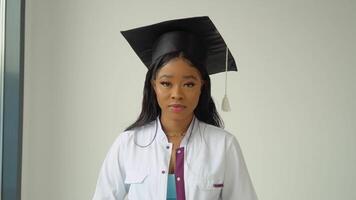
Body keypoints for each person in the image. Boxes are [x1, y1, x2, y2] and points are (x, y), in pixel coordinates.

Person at [93, 16, 258, 200]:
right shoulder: (128, 144)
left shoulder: (223, 146)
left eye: (188, 84)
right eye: (166, 83)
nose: (177, 94)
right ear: (153, 84)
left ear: (202, 85)